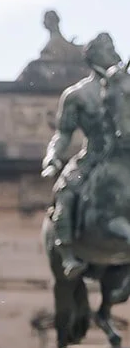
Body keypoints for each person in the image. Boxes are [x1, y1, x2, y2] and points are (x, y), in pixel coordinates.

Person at [43, 30, 123, 279]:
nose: (114, 53)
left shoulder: (126, 87)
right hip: (94, 157)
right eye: (108, 49)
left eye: (113, 47)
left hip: (124, 154)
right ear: (95, 57)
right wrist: (53, 157)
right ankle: (67, 254)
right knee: (65, 192)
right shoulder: (77, 95)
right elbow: (63, 134)